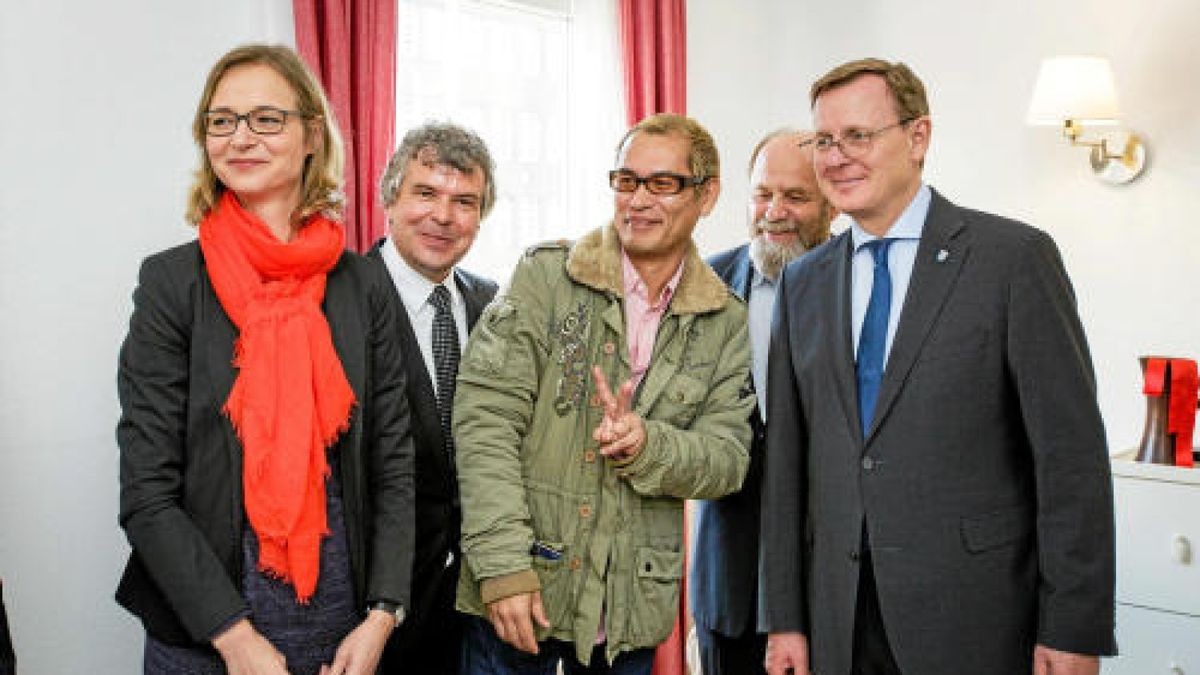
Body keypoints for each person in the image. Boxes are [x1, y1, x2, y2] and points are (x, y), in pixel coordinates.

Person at [759, 58, 1116, 675]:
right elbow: (787, 466)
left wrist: (1073, 629)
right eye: (823, 140)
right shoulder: (802, 282)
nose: (836, 156)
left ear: (918, 137)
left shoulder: (1013, 260)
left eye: (858, 136)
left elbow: (1070, 461)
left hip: (974, 616)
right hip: (839, 621)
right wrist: (785, 618)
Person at [116, 44, 415, 675]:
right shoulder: (172, 284)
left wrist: (384, 614)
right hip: (206, 639)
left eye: (265, 119)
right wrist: (235, 640)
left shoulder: (364, 285)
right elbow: (147, 492)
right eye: (222, 120)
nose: (240, 137)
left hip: (346, 638)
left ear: (312, 134)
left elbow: (392, 465)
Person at [452, 113, 754, 674]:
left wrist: (649, 446)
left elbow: (728, 460)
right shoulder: (546, 276)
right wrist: (501, 566)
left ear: (706, 195)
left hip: (627, 619)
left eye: (662, 183)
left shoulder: (726, 320)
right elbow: (484, 421)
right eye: (627, 180)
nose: (638, 200)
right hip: (521, 600)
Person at [692, 129, 834, 675]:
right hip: (728, 575)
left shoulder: (858, 284)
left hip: (827, 582)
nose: (774, 211)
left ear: (830, 205)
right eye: (762, 193)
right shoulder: (703, 281)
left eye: (796, 197)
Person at [368, 123, 499, 675]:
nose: (443, 217)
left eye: (464, 202)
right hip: (372, 602)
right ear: (390, 200)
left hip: (475, 605)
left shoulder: (494, 303)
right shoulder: (340, 296)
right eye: (425, 193)